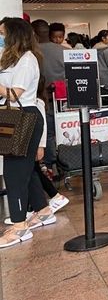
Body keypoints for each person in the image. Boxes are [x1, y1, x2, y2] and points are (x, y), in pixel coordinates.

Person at [0, 18, 57, 249]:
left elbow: (14, 94)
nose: (0, 37)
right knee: (26, 169)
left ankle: (19, 226)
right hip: (13, 116)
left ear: (14, 35)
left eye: (2, 33)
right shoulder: (12, 59)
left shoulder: (27, 60)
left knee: (14, 173)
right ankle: (43, 211)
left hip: (24, 117)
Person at [30, 20, 66, 168]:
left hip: (43, 100)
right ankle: (68, 160)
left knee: (49, 133)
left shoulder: (31, 53)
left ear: (34, 33)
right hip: (64, 99)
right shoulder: (64, 51)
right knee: (66, 130)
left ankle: (52, 165)